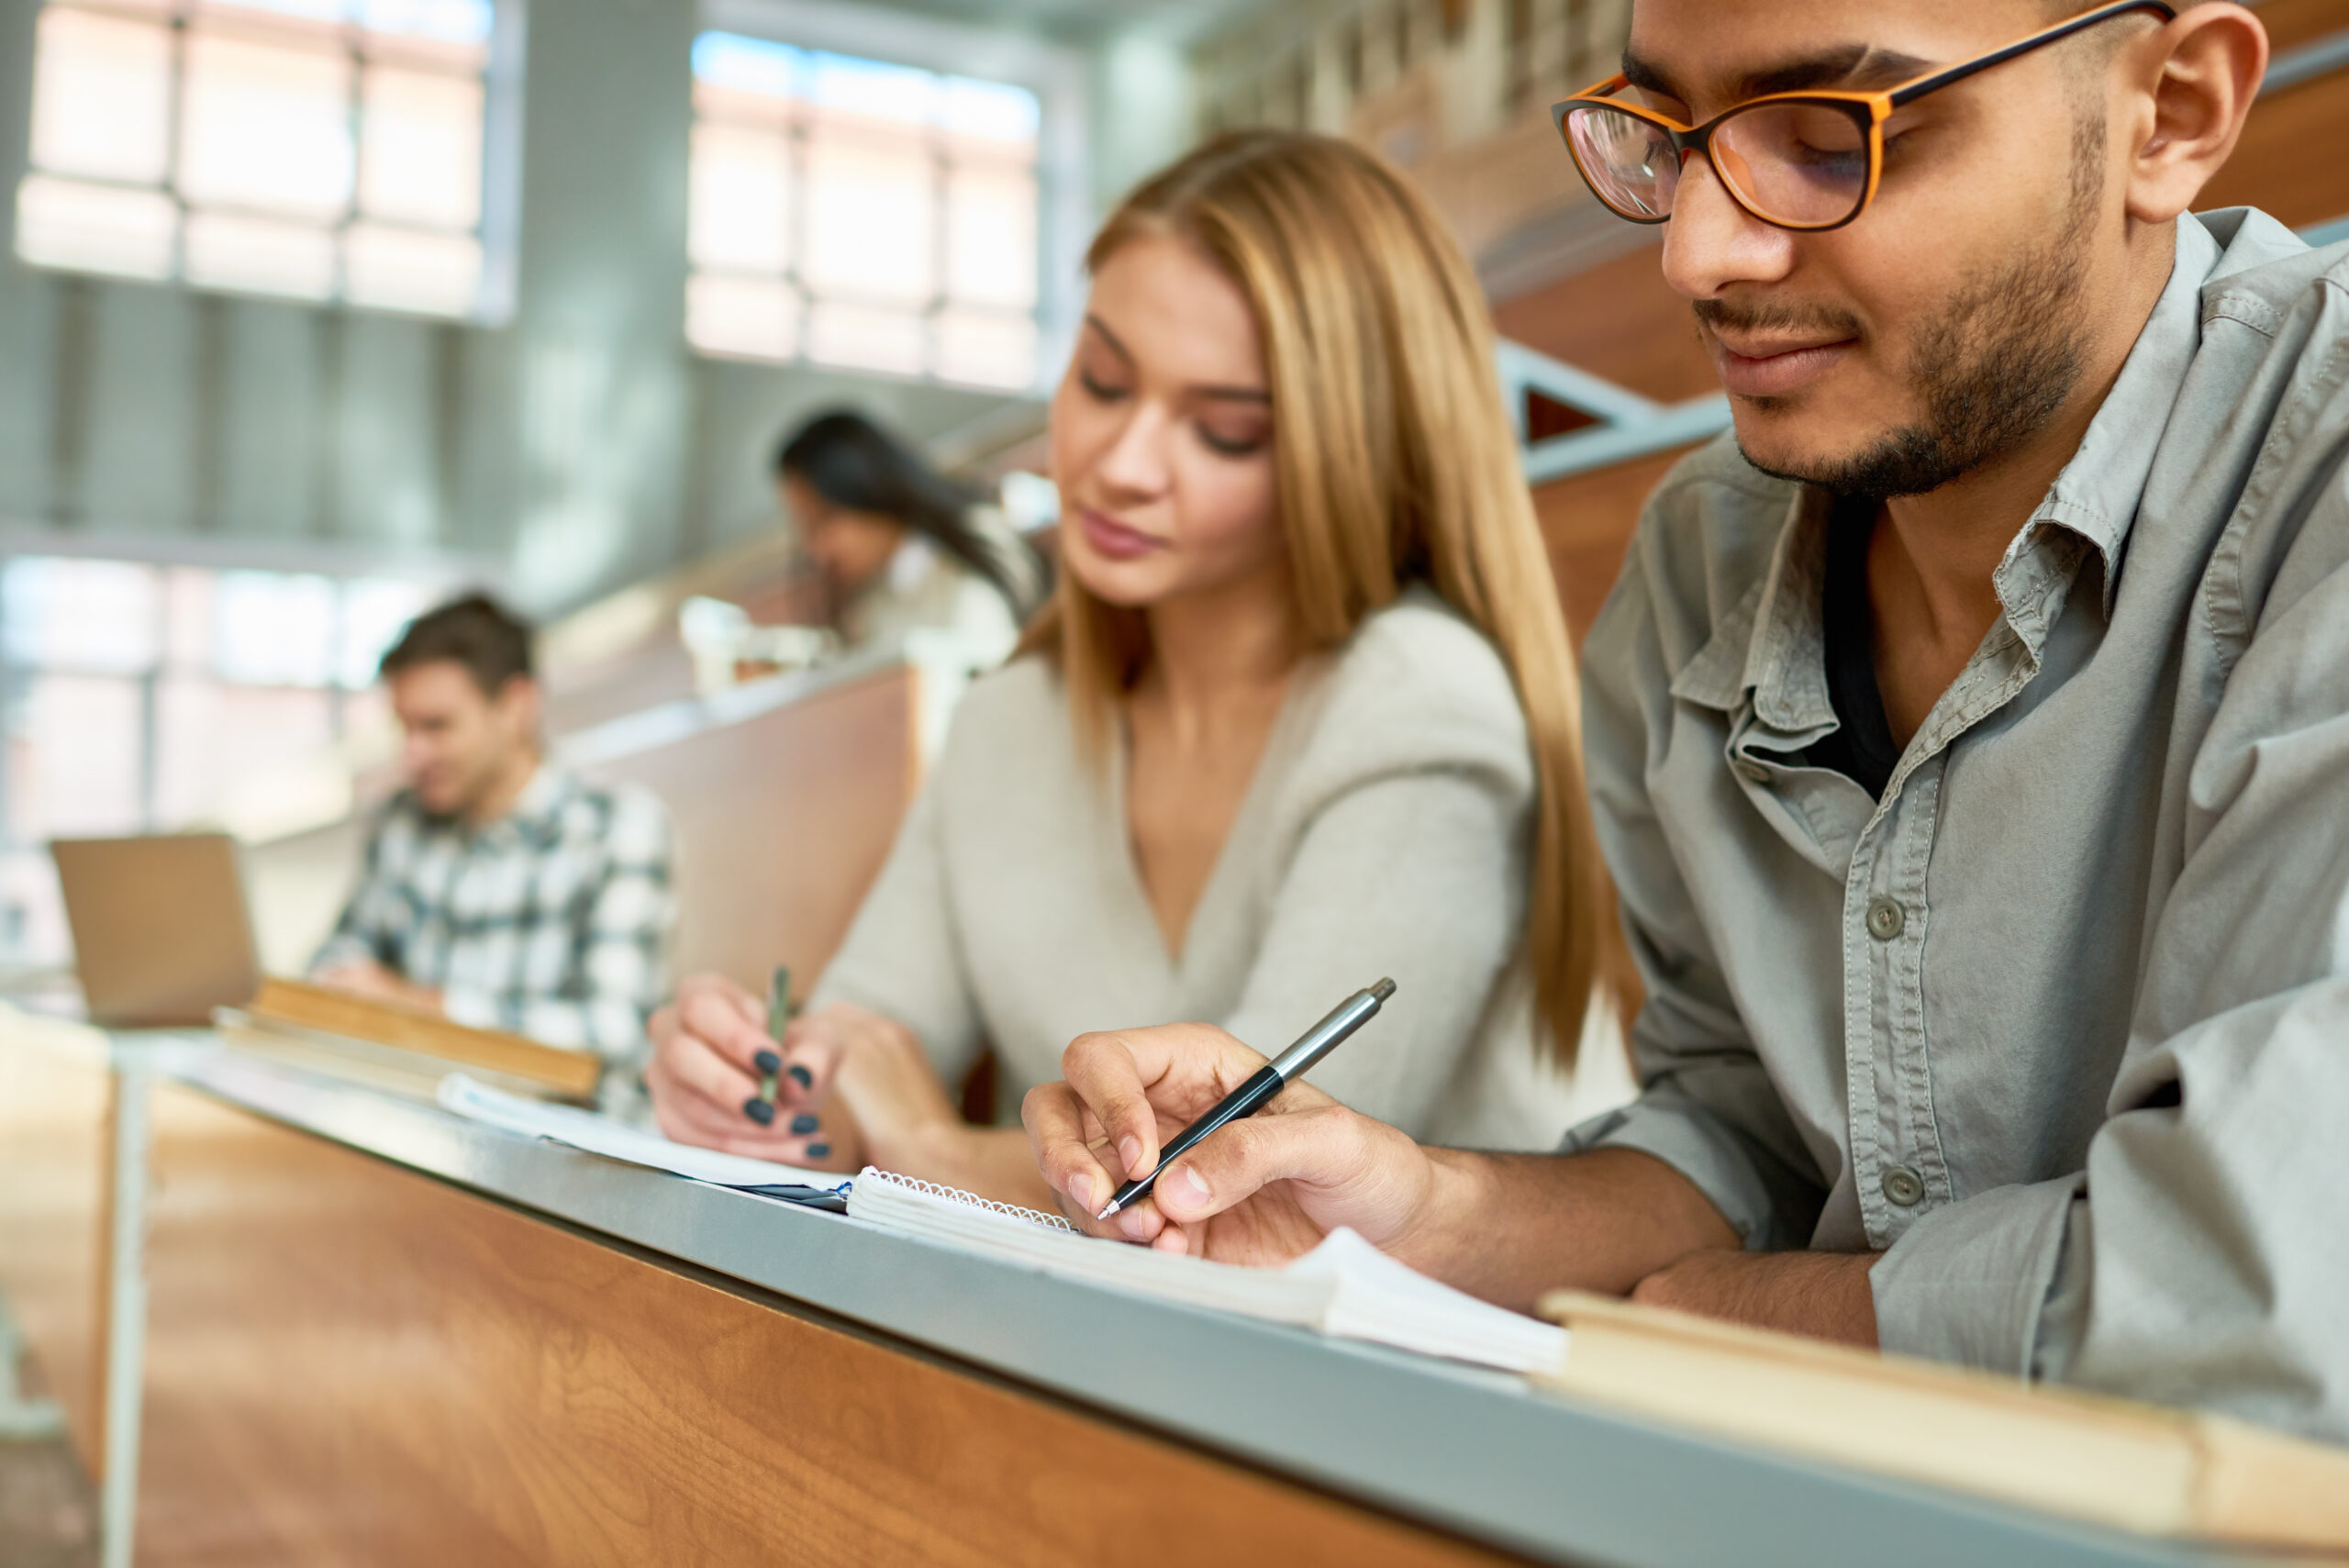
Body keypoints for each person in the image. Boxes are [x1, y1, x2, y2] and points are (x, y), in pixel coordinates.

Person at [1028, 0, 2349, 1440]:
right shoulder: (1700, 563)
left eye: (1827, 137)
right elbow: (1741, 1140)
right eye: (1671, 140)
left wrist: (1765, 1310)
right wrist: (1412, 1205)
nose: (1695, 254)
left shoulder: (2317, 495)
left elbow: (2270, 1290)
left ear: (2173, 110)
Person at [645, 131, 1632, 1203]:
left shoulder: (1420, 704)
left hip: (1448, 1356)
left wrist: (926, 1149)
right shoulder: (1013, 719)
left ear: (1352, 453)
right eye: (1103, 380)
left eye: (1220, 432)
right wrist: (759, 1084)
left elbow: (1243, 1187)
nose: (1117, 467)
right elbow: (862, 1045)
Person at [312, 594, 677, 1068]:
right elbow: (341, 956)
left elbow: (615, 1033)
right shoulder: (400, 820)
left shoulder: (620, 829)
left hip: (557, 1131)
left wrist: (422, 1008)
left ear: (515, 705)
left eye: (436, 726)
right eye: (405, 729)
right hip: (416, 1110)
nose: (413, 754)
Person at [776, 409, 1048, 670]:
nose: (817, 550)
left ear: (867, 487)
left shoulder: (974, 556)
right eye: (807, 529)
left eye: (825, 519)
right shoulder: (870, 604)